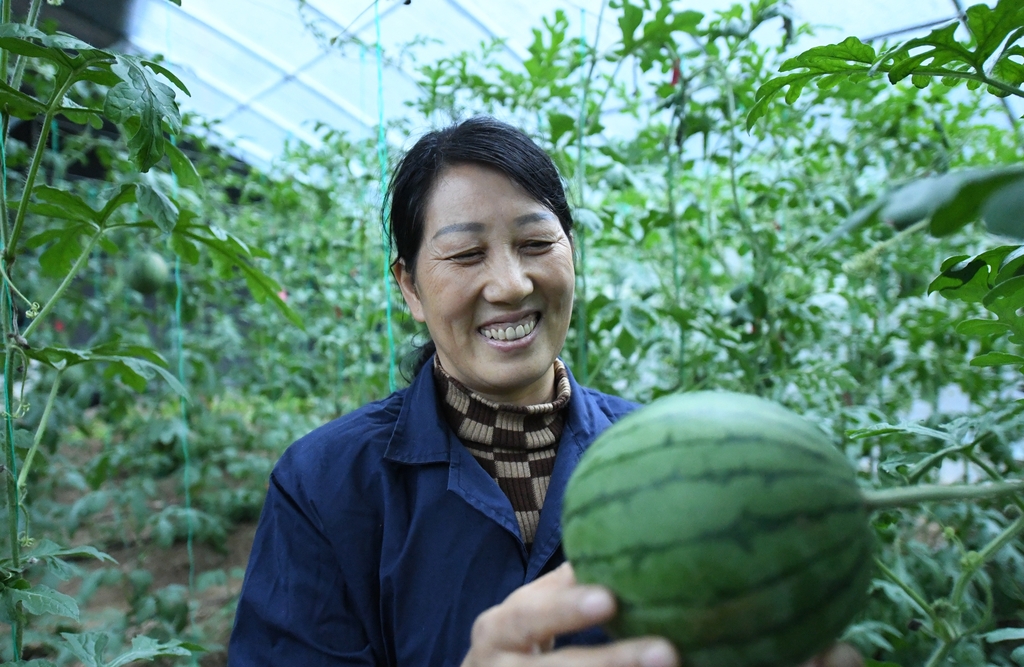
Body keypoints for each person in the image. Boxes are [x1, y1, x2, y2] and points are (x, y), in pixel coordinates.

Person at [228, 117, 862, 667]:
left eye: (535, 244)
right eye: (465, 254)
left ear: (572, 255)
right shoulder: (326, 482)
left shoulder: (662, 451)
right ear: (410, 288)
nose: (510, 284)